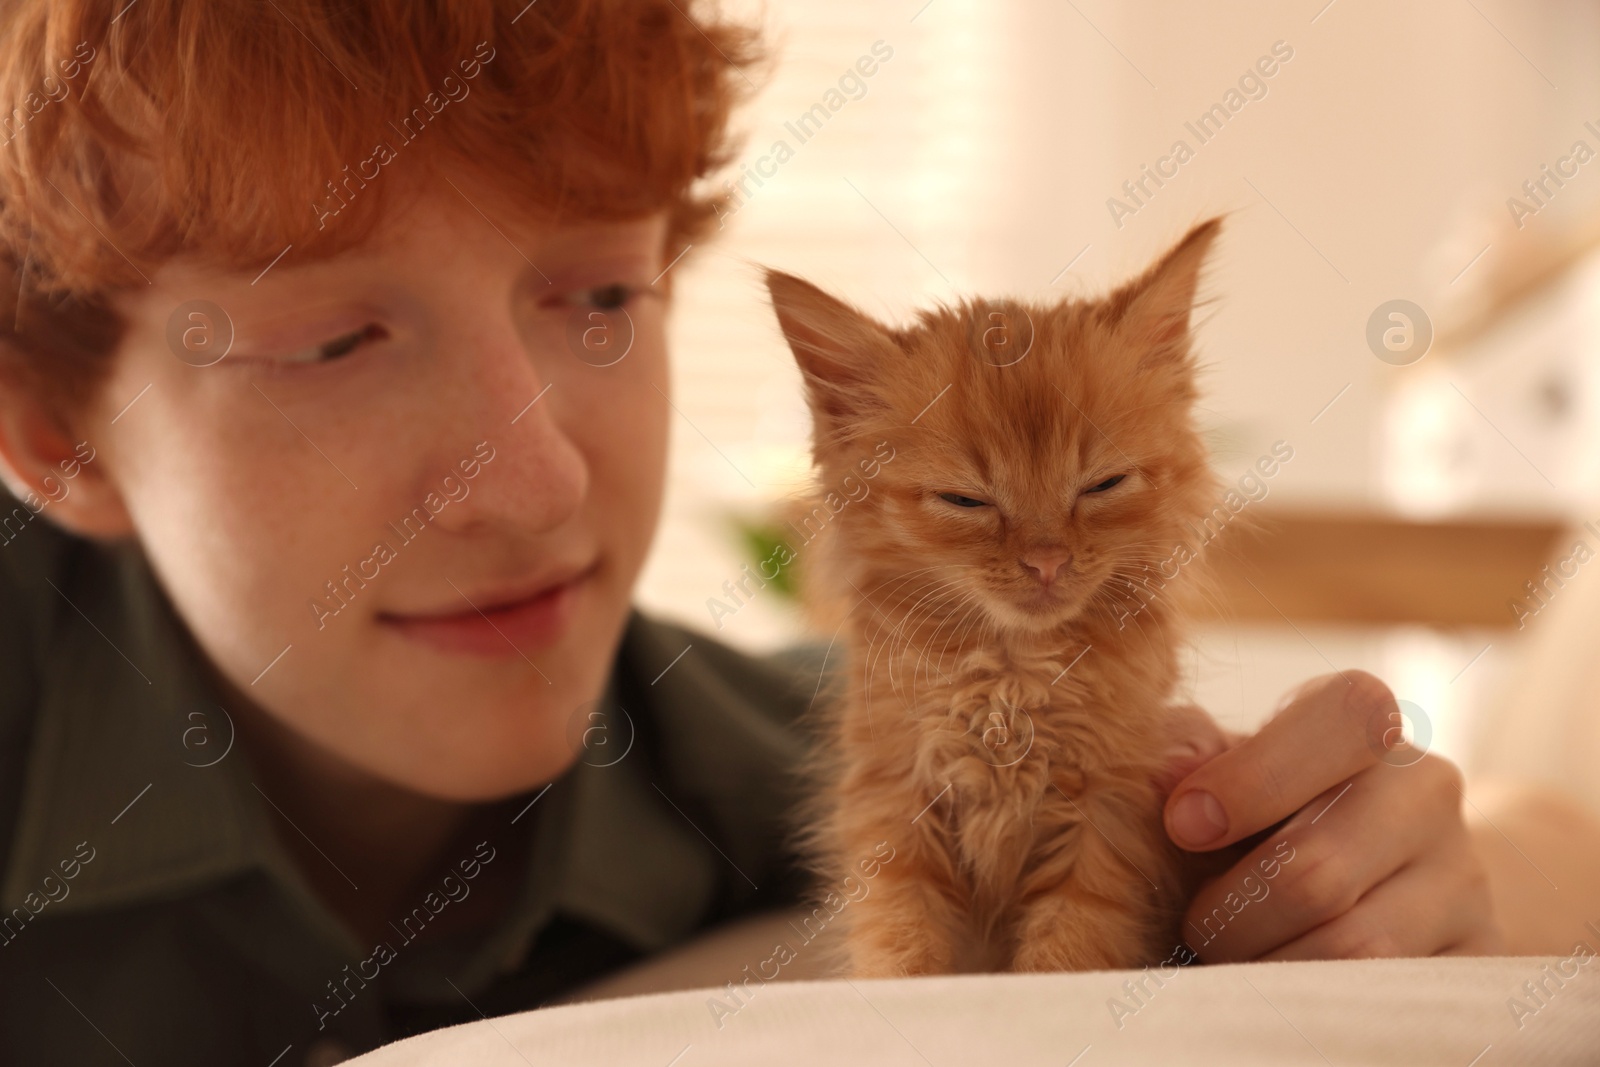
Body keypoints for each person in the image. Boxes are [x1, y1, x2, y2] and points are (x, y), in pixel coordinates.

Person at [0, 1, 1593, 1064]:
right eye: (337, 343)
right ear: (59, 439)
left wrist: (1401, 864)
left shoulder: (722, 754)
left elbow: (1552, 844)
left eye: (600, 298)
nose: (539, 479)